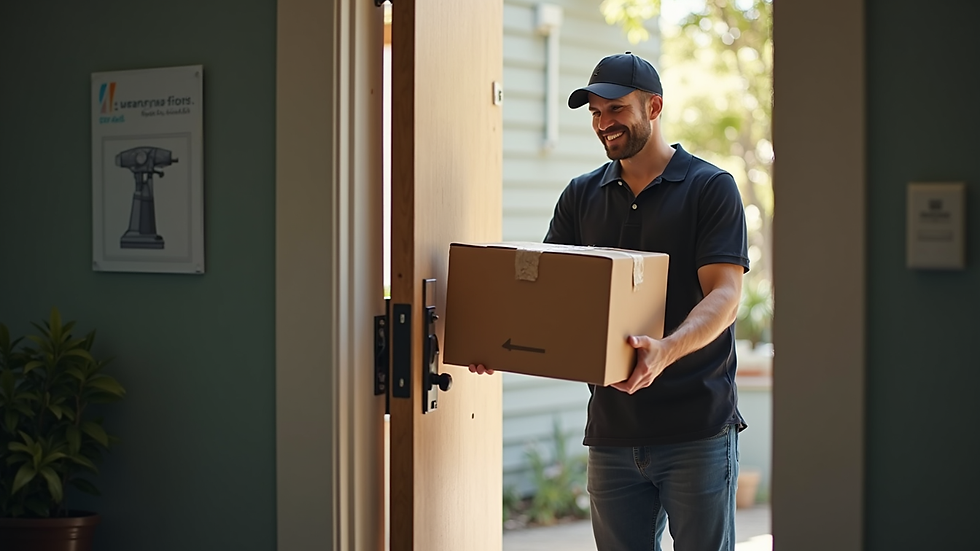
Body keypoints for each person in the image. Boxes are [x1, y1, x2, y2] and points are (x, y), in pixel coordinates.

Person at [470, 52, 750, 551]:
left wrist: (665, 348)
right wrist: (495, 339)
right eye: (595, 113)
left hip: (696, 431)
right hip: (612, 432)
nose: (603, 124)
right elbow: (543, 294)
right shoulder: (580, 197)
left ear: (654, 106)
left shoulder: (710, 188)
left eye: (615, 109)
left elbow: (725, 296)